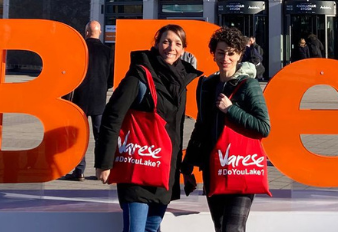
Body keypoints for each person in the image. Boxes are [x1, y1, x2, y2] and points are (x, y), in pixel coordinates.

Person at [96, 25, 202, 232]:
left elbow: (176, 130)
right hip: (138, 164)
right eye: (166, 42)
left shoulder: (181, 79)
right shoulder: (139, 76)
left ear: (183, 49)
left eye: (177, 44)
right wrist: (104, 163)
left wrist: (183, 169)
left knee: (152, 227)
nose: (171, 48)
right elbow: (112, 117)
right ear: (156, 44)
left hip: (164, 169)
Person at [184, 28, 271, 232]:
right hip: (214, 166)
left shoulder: (248, 85)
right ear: (213, 54)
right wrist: (188, 165)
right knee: (220, 227)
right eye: (221, 52)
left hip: (240, 165)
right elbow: (201, 127)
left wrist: (231, 110)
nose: (226, 58)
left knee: (233, 228)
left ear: (240, 55)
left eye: (231, 53)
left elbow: (264, 126)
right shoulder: (207, 85)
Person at [63, 21, 115, 180]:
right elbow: (111, 77)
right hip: (99, 100)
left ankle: (79, 171)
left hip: (80, 99)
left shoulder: (79, 49)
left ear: (86, 32)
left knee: (79, 136)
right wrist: (104, 87)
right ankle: (101, 170)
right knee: (100, 136)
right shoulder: (108, 52)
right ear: (99, 33)